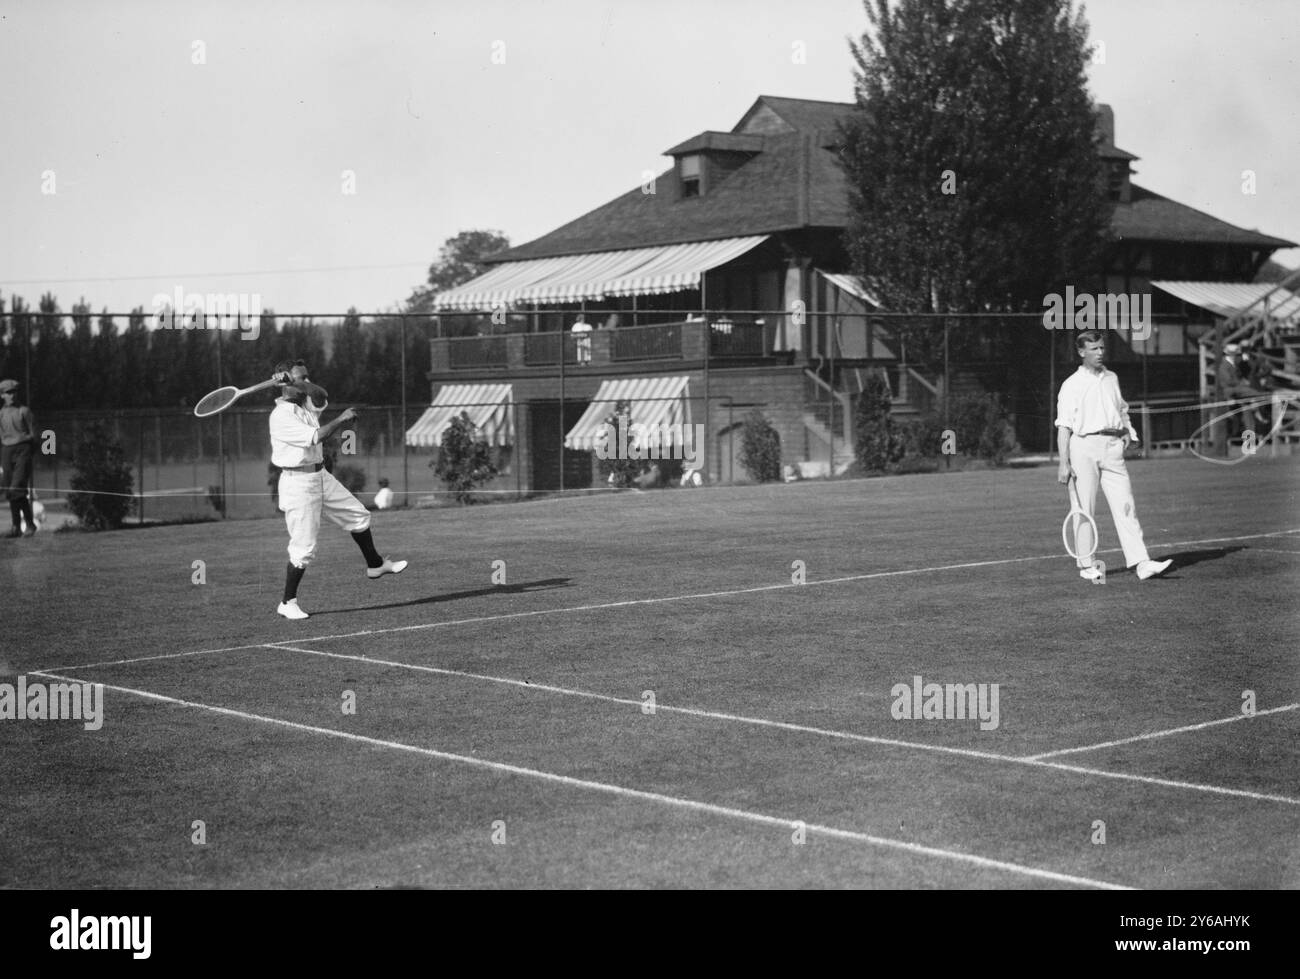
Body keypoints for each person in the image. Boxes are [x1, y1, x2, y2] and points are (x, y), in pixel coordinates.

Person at [269, 359, 406, 620]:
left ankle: (375, 565)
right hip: (298, 484)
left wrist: (299, 381)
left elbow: (321, 396)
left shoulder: (306, 403)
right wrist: (342, 419)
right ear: (284, 383)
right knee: (304, 548)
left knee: (359, 515)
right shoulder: (280, 416)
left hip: (320, 475)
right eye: (302, 378)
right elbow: (315, 437)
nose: (308, 382)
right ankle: (287, 602)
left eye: (308, 376)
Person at [1056, 332, 1171, 582]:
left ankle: (1141, 563)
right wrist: (1064, 463)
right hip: (1083, 447)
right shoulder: (1071, 384)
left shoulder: (1112, 378)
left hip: (1113, 447)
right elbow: (1064, 427)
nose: (1100, 353)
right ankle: (1086, 565)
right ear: (1081, 352)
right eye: (1094, 349)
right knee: (1084, 508)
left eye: (1101, 348)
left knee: (1126, 505)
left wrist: (1129, 432)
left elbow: (1121, 410)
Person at [0, 378, 38, 538]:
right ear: (2, 395)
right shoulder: (1, 413)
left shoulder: (24, 411)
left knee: (17, 488)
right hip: (7, 450)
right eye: (8, 393)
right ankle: (16, 526)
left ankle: (29, 524)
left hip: (23, 449)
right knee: (11, 490)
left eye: (14, 392)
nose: (12, 395)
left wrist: (30, 452)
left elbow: (34, 434)